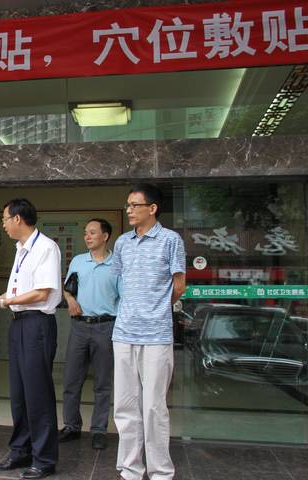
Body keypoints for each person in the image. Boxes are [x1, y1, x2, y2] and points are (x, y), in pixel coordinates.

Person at [0, 198, 62, 480]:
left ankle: (44, 459)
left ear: (18, 219)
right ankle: (20, 450)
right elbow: (19, 291)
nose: (3, 224)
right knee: (19, 394)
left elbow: (41, 292)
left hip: (37, 324)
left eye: (5, 219)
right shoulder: (21, 249)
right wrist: (0, 299)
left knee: (38, 393)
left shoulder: (46, 247)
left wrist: (5, 302)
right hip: (19, 324)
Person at [111, 184, 186, 480]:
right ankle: (130, 468)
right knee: (125, 406)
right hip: (123, 333)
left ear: (152, 208)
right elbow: (120, 283)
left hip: (156, 334)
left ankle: (160, 472)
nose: (129, 210)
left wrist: (157, 309)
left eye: (135, 205)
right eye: (128, 205)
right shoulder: (122, 242)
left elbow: (179, 285)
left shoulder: (171, 240)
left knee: (154, 407)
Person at [59, 218, 121, 450]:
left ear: (105, 236)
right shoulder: (78, 261)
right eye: (85, 233)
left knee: (103, 382)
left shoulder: (117, 264)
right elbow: (67, 289)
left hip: (106, 326)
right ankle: (71, 426)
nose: (87, 237)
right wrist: (71, 300)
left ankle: (99, 429)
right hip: (79, 326)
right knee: (71, 379)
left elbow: (123, 298)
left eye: (92, 233)